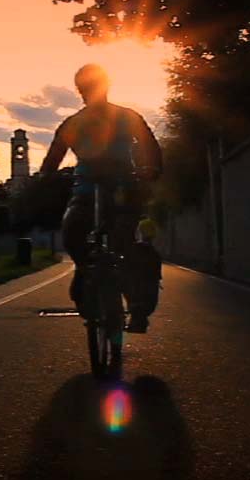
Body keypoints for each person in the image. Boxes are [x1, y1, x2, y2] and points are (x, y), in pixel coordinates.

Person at [39, 63, 163, 333]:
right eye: (85, 88)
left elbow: (150, 146)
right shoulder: (72, 123)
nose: (90, 92)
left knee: (124, 243)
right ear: (80, 91)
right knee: (72, 232)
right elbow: (53, 158)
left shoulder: (128, 117)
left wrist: (152, 168)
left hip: (123, 189)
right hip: (85, 191)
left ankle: (138, 309)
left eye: (93, 86)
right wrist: (45, 175)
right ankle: (85, 272)